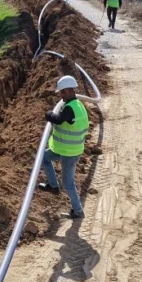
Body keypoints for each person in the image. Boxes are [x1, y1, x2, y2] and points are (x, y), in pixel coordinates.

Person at [39, 75, 88, 219]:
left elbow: (59, 120)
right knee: (44, 157)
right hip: (65, 148)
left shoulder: (70, 108)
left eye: (63, 92)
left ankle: (78, 211)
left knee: (68, 183)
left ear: (71, 91)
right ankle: (53, 185)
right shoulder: (77, 105)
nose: (61, 95)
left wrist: (49, 114)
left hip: (69, 152)